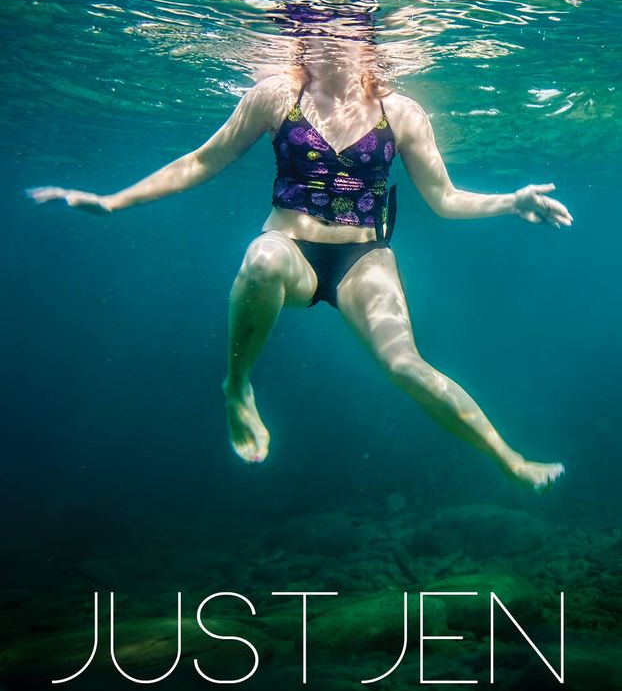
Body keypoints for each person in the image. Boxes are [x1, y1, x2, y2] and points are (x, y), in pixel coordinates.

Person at [28, 34, 572, 490]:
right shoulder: (274, 96)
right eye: (317, 27)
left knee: (406, 366)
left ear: (369, 40)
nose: (333, 43)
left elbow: (446, 199)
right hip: (291, 250)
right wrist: (113, 201)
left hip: (365, 259)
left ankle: (509, 460)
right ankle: (237, 387)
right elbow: (202, 160)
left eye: (347, 31)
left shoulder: (400, 112)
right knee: (261, 258)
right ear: (300, 34)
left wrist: (511, 200)